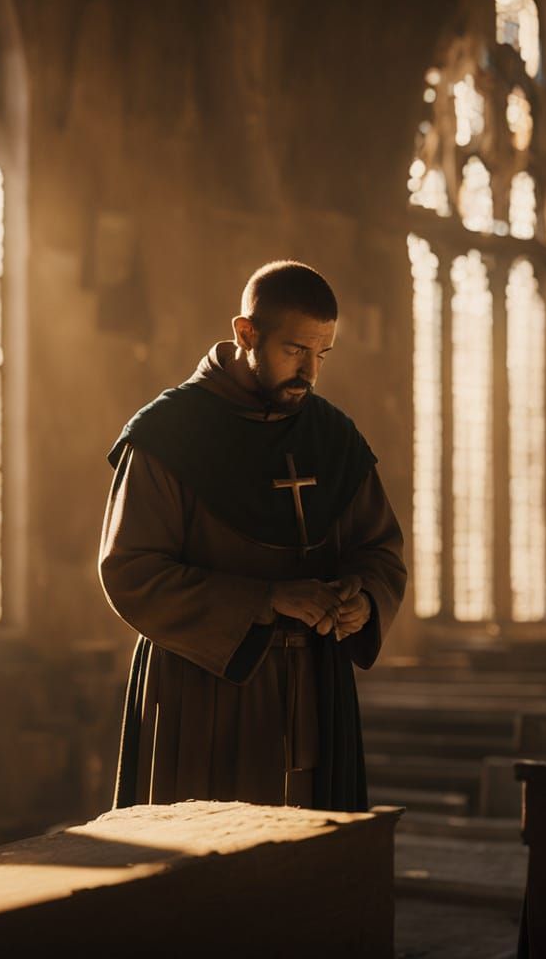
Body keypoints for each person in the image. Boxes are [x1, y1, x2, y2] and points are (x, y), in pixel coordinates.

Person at [99, 260, 406, 811]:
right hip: (205, 694)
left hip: (317, 690)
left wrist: (364, 597)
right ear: (246, 334)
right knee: (212, 877)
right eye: (295, 350)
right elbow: (131, 570)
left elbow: (379, 549)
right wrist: (264, 599)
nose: (310, 372)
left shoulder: (332, 437)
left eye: (322, 355)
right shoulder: (169, 435)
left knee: (314, 867)